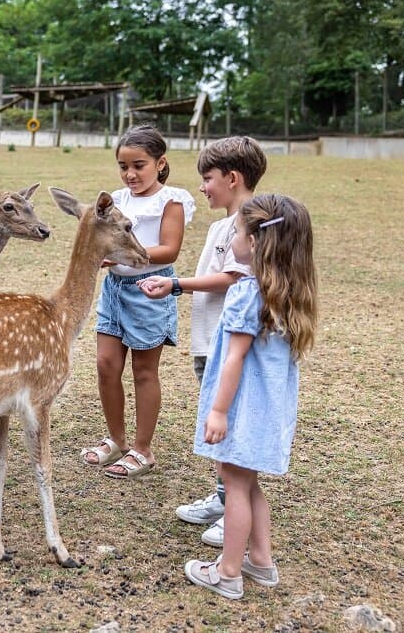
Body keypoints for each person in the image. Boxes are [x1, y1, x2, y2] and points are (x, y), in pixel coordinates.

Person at [183, 194, 318, 599]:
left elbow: (234, 359)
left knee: (236, 487)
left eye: (237, 234)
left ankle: (226, 572)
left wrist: (218, 411)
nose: (233, 241)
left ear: (256, 242)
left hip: (241, 408)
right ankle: (260, 561)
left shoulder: (247, 292)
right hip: (268, 409)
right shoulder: (288, 292)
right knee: (249, 484)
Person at [139, 136, 266, 546]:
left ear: (232, 178)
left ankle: (235, 511)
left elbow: (233, 278)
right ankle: (223, 497)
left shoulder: (250, 222)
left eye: (207, 178)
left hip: (229, 347)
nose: (201, 187)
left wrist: (175, 284)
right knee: (219, 432)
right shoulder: (220, 225)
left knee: (228, 429)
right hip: (210, 345)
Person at [80, 124, 195, 478]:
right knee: (105, 365)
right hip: (114, 290)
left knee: (144, 372)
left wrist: (121, 255)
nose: (130, 174)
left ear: (161, 163)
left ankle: (143, 450)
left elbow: (170, 248)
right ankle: (117, 439)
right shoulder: (116, 200)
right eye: (123, 166)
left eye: (139, 165)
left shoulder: (171, 200)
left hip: (150, 290)